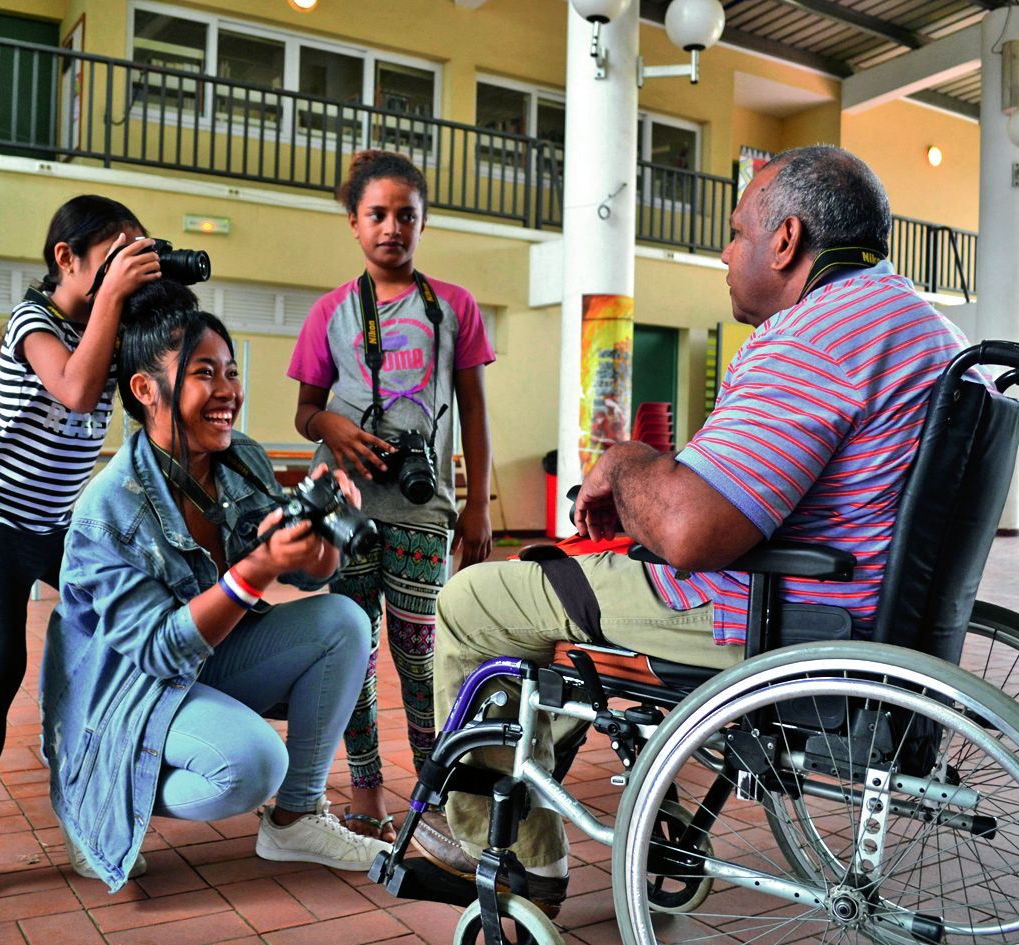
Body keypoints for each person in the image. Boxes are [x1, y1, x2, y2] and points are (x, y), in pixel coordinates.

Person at [410, 146, 973, 917]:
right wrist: (656, 481)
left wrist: (628, 461)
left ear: (786, 240)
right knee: (562, 605)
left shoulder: (817, 335)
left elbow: (689, 531)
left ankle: (509, 855)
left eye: (737, 231)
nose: (724, 249)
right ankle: (630, 804)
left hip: (771, 614)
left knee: (476, 600)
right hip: (865, 607)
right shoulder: (920, 326)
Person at [39, 285, 391, 894]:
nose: (229, 390)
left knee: (344, 622)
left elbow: (310, 575)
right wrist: (254, 571)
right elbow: (159, 652)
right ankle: (92, 789)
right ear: (146, 390)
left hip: (201, 663)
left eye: (232, 371)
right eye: (206, 373)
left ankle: (296, 818)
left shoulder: (240, 460)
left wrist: (325, 538)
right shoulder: (109, 510)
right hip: (126, 692)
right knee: (253, 765)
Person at [0, 195, 160, 926]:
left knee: (126, 637)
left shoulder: (108, 326)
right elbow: (77, 390)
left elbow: (148, 400)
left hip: (57, 523)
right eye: (114, 254)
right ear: (67, 258)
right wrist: (113, 296)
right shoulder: (33, 321)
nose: (122, 270)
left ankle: (92, 809)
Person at [287, 150, 496, 841]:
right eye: (376, 214)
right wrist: (333, 428)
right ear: (353, 222)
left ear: (423, 222)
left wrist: (475, 503)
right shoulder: (329, 312)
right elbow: (303, 411)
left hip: (419, 509)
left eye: (406, 214)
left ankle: (433, 788)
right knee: (351, 650)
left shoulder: (454, 308)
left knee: (419, 654)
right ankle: (367, 786)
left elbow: (472, 409)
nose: (391, 227)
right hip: (342, 508)